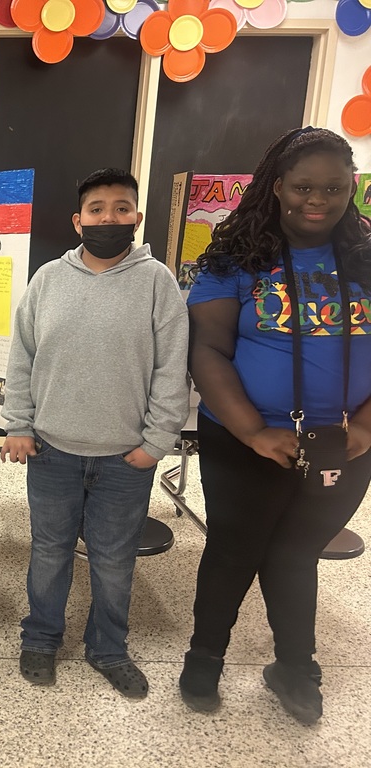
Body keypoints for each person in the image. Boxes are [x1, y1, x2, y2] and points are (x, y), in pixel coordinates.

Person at [179, 127, 371, 724]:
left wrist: (366, 424)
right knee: (234, 550)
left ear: (352, 190)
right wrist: (253, 432)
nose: (318, 199)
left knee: (295, 554)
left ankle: (295, 667)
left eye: (335, 188)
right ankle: (204, 659)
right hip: (245, 441)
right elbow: (207, 350)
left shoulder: (367, 259)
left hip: (346, 443)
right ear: (277, 186)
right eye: (304, 186)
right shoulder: (235, 258)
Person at [0, 168, 189, 698]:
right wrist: (17, 424)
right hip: (52, 451)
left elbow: (172, 369)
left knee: (112, 560)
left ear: (137, 217)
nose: (110, 217)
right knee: (50, 552)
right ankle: (40, 639)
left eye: (121, 208)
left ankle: (108, 648)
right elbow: (22, 357)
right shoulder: (47, 280)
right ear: (77, 220)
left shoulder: (158, 282)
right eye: (98, 208)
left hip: (123, 459)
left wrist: (156, 443)